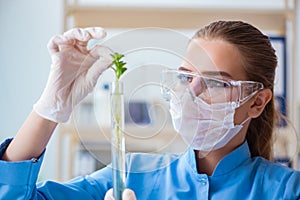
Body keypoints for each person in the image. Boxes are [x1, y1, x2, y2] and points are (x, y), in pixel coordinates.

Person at [0, 21, 299, 200]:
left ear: (256, 102)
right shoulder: (129, 175)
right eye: (185, 77)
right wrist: (50, 106)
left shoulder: (286, 190)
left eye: (214, 83)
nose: (191, 95)